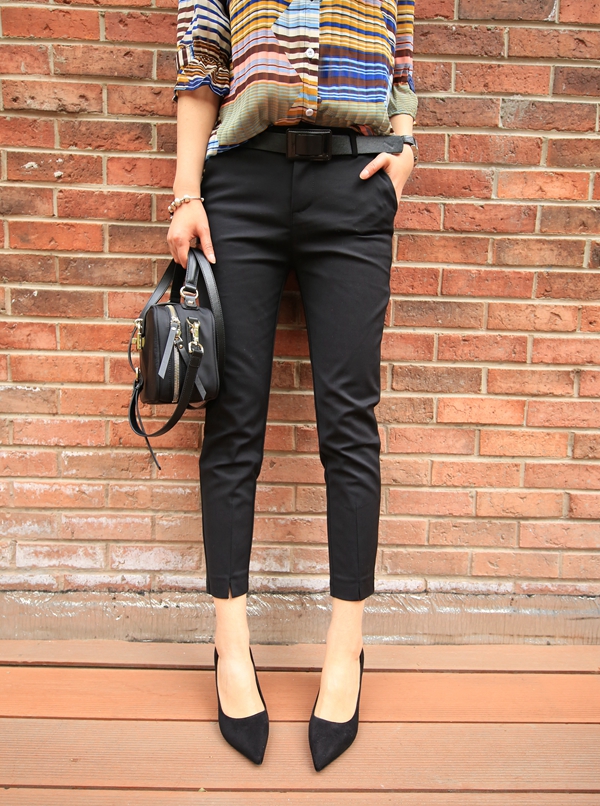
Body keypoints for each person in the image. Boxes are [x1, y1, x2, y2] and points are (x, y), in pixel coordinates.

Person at [167, 0, 419, 771]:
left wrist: (404, 149)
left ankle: (347, 646)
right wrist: (186, 194)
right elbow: (202, 63)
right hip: (241, 185)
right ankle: (230, 641)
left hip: (355, 180)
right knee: (233, 419)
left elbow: (402, 59)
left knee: (349, 422)